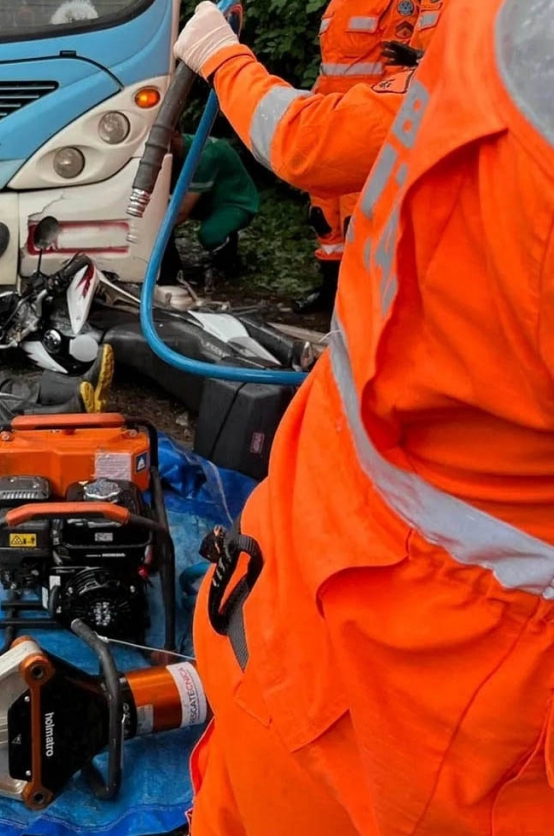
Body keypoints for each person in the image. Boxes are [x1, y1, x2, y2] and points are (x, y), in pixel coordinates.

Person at [175, 1, 554, 833]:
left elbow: (309, 139)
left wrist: (223, 60)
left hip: (419, 702)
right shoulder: (487, 46)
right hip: (319, 618)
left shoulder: (491, 55)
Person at [297, 0, 419, 314]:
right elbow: (329, 66)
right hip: (330, 117)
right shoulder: (337, 5)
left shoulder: (396, 4)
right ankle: (329, 290)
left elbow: (399, 68)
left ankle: (361, 303)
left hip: (364, 125)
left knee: (359, 221)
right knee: (324, 219)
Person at [159, 129, 260, 286]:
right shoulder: (172, 153)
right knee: (161, 216)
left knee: (209, 234)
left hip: (234, 201)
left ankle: (228, 265)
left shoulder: (204, 154)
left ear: (176, 133)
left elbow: (183, 211)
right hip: (206, 199)